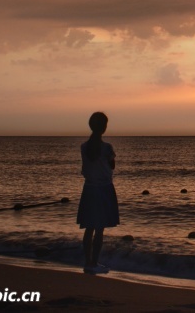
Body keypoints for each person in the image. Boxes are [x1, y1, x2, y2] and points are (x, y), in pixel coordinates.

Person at [77, 111, 119, 274]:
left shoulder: (84, 147)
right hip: (103, 188)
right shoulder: (107, 148)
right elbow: (112, 165)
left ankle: (88, 262)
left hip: (89, 188)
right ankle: (94, 262)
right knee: (99, 228)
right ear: (104, 127)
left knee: (89, 227)